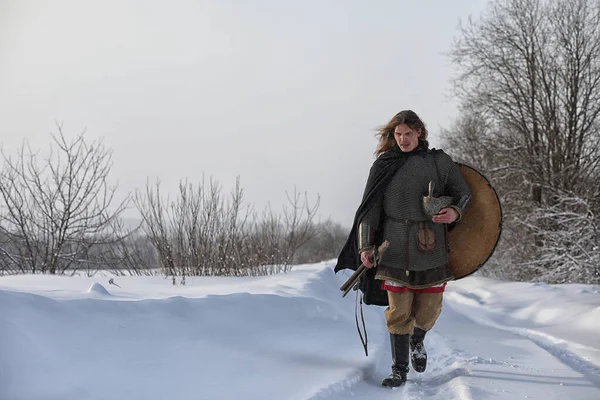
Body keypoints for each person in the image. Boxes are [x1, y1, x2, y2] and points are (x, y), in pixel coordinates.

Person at [334, 110, 472, 388]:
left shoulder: (439, 161)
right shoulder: (384, 164)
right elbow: (369, 209)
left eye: (408, 134)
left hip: (430, 244)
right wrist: (365, 247)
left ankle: (417, 339)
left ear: (419, 132)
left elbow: (464, 192)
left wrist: (454, 212)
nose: (403, 139)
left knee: (429, 311)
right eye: (398, 134)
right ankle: (399, 370)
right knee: (398, 311)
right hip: (393, 245)